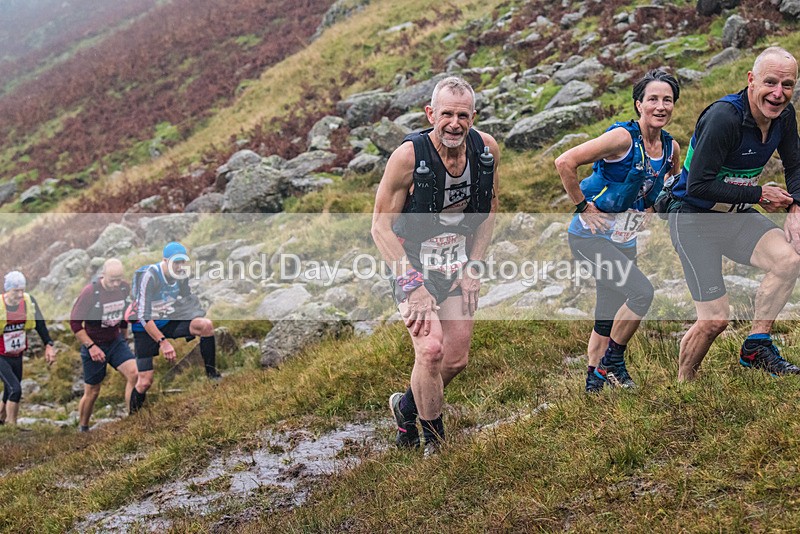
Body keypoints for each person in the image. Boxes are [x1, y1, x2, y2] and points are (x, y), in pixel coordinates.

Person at [372, 76, 500, 454]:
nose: (454, 124)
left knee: (456, 359)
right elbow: (379, 226)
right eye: (446, 114)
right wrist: (413, 285)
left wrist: (473, 265)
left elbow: (489, 208)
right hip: (411, 262)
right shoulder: (409, 157)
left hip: (457, 261)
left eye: (463, 115)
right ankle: (435, 442)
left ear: (473, 117)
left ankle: (405, 408)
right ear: (431, 114)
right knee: (430, 351)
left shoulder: (486, 150)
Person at [667, 46, 800, 380]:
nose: (778, 93)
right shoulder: (724, 118)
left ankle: (757, 344)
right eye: (770, 82)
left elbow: (796, 165)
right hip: (694, 219)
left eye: (788, 85)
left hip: (736, 216)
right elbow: (697, 185)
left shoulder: (783, 115)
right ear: (751, 80)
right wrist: (758, 194)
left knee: (789, 260)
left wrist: (796, 207)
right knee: (714, 320)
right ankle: (684, 385)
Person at [555, 70, 682, 392]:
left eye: (667, 100)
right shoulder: (622, 139)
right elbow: (565, 162)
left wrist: (653, 209)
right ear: (639, 104)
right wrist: (583, 206)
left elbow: (669, 188)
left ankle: (592, 383)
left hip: (624, 237)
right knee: (641, 293)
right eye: (653, 99)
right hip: (588, 237)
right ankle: (613, 361)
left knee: (608, 310)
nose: (660, 106)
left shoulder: (671, 148)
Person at [127, 242, 219, 413]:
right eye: (175, 263)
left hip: (169, 320)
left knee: (205, 326)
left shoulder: (182, 274)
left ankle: (212, 376)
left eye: (182, 262)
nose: (179, 267)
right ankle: (133, 415)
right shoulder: (151, 276)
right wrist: (163, 342)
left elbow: (186, 298)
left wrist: (196, 314)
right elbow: (143, 315)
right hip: (145, 328)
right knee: (145, 381)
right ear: (165, 260)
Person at [70, 258, 137, 432]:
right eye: (112, 279)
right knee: (93, 391)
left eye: (119, 279)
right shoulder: (90, 292)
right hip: (93, 344)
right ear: (103, 275)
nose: (116, 284)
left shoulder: (124, 287)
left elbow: (123, 315)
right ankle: (83, 427)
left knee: (135, 373)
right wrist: (91, 347)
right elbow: (75, 324)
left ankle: (133, 419)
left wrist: (124, 337)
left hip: (115, 341)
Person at [0, 271, 56, 425]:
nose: (19, 294)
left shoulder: (28, 302)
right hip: (0, 355)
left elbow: (40, 324)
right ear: (7, 290)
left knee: (9, 388)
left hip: (17, 355)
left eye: (22, 290)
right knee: (16, 389)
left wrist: (48, 344)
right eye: (15, 291)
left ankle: (1, 419)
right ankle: (12, 426)